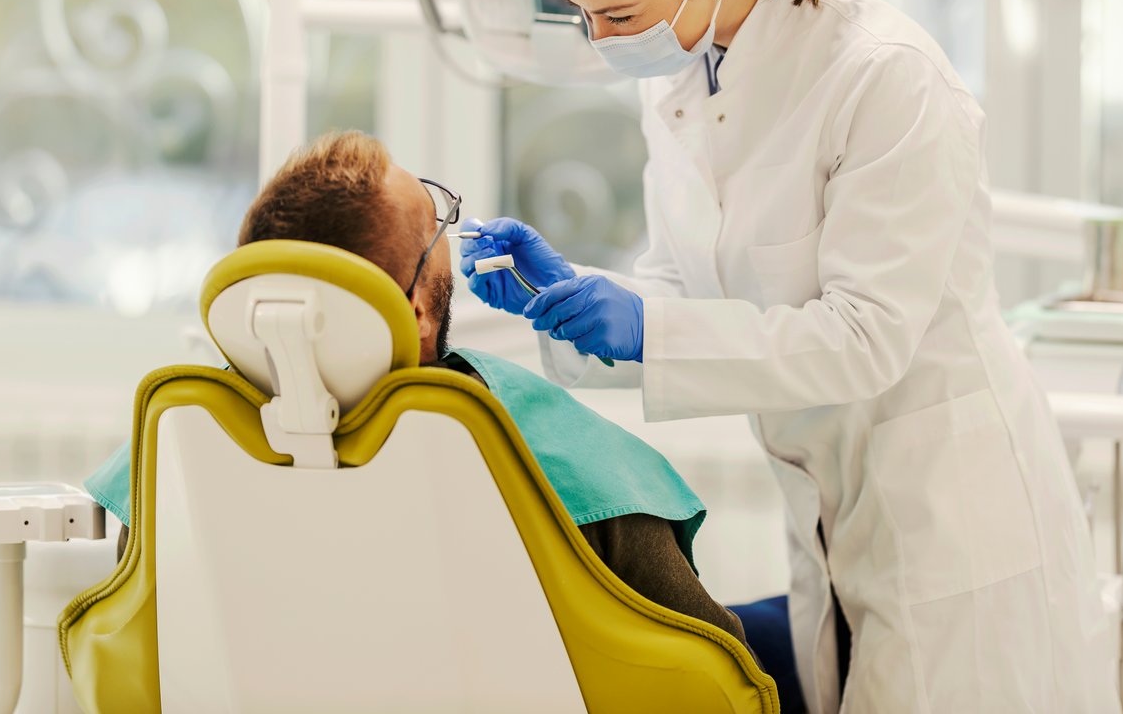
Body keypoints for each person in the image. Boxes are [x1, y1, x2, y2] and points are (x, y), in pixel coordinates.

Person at [459, 0, 1114, 713]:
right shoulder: (684, 77)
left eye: (616, 15)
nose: (602, 45)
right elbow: (684, 287)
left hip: (948, 519)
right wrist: (574, 298)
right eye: (584, 16)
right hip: (825, 514)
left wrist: (647, 328)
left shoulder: (883, 79)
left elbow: (865, 338)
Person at [84, 130, 752, 651]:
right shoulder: (547, 456)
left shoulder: (178, 462)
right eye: (437, 226)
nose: (449, 239)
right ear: (412, 313)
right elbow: (714, 667)